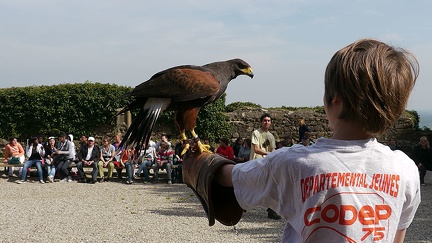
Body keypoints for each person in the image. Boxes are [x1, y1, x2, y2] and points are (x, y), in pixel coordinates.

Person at [183, 39, 420, 242]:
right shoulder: (406, 170)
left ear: (333, 101)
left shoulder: (298, 162)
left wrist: (200, 159)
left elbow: (232, 177)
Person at [249, 113, 279, 220]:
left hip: (266, 164)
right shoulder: (256, 133)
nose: (267, 122)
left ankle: (272, 210)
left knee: (273, 186)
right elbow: (256, 149)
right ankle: (241, 203)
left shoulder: (271, 136)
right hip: (256, 163)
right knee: (252, 187)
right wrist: (270, 154)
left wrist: (273, 156)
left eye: (269, 120)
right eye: (265, 120)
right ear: (261, 122)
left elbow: (272, 150)